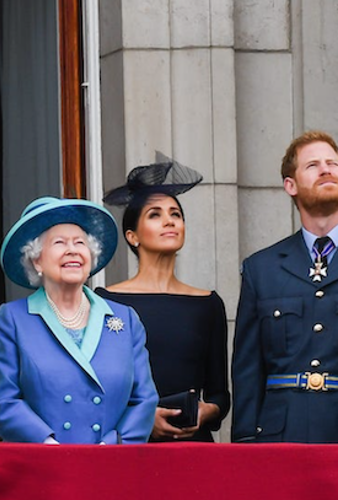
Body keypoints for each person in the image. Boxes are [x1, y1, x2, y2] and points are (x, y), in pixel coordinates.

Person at [0, 196, 158, 444]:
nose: (73, 250)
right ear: (37, 260)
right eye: (59, 242)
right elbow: (3, 400)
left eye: (80, 242)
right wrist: (47, 444)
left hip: (112, 464)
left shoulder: (125, 319)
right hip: (44, 465)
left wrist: (113, 445)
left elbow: (144, 399)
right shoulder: (14, 319)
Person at [96, 157, 230, 442]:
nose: (169, 220)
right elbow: (98, 389)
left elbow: (220, 395)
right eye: (155, 214)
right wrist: (142, 418)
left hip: (194, 449)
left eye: (176, 214)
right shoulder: (105, 302)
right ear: (132, 236)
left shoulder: (208, 303)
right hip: (131, 446)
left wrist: (204, 412)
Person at [232, 130, 338, 443]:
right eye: (313, 165)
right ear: (290, 185)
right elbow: (248, 369)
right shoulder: (261, 269)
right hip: (284, 436)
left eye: (333, 163)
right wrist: (246, 443)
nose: (326, 169)